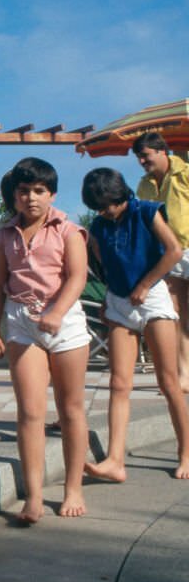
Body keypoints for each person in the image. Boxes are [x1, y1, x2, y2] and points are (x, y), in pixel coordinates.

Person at [0, 158, 90, 523]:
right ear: (15, 195)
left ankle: (73, 488)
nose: (31, 198)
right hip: (21, 322)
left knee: (70, 408)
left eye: (39, 191)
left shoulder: (69, 230)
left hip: (65, 323)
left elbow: (77, 277)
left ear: (52, 194)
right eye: (24, 191)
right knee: (29, 412)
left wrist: (57, 313)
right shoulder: (4, 234)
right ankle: (33, 495)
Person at [81, 167, 189, 482]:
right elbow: (105, 264)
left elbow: (174, 251)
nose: (105, 212)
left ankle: (185, 451)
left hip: (153, 297)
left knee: (168, 382)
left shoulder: (145, 211)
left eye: (109, 205)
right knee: (118, 383)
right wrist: (107, 300)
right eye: (99, 208)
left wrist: (146, 284)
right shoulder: (99, 225)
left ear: (120, 195)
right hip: (119, 301)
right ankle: (115, 460)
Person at [134, 132, 189, 393]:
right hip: (168, 254)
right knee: (176, 313)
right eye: (139, 157)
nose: (142, 161)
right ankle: (184, 373)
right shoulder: (143, 185)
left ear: (162, 151)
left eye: (145, 155)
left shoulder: (186, 173)